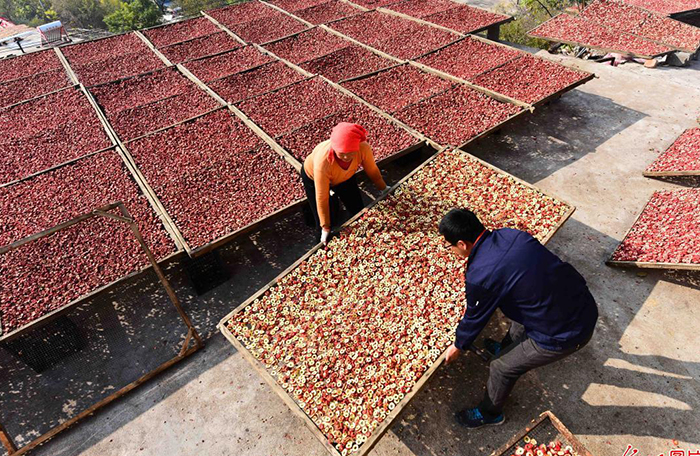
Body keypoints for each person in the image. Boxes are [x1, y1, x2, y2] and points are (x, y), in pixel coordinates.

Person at [439, 208, 598, 428]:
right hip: (581, 301)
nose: (452, 251)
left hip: (565, 332)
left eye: (450, 246)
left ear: (462, 244)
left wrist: (458, 345)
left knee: (500, 367)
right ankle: (506, 347)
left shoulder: (481, 274)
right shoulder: (512, 235)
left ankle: (490, 413)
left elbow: (474, 317)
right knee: (517, 313)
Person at [302, 122, 388, 245]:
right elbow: (322, 197)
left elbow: (372, 170)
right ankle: (321, 245)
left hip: (345, 177)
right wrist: (325, 226)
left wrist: (383, 188)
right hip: (313, 177)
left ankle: (364, 239)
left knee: (358, 209)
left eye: (351, 153)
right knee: (323, 220)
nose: (347, 157)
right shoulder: (323, 161)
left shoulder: (363, 148)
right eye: (342, 153)